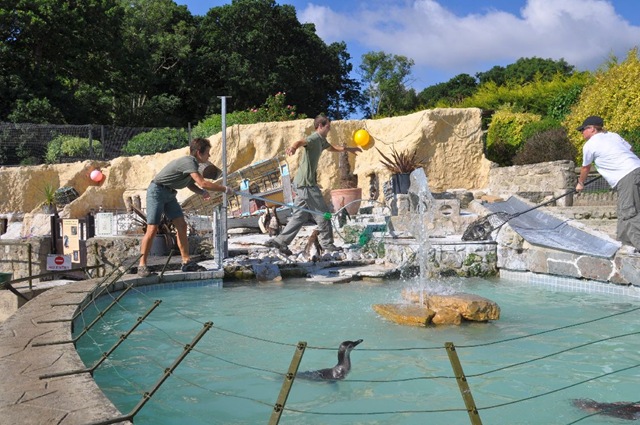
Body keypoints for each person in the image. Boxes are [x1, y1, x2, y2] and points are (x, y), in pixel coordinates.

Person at [265, 114, 361, 255]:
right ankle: (327, 244)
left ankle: (280, 242)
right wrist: (293, 148)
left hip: (302, 184)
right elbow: (300, 142)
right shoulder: (313, 138)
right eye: (328, 127)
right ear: (320, 126)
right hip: (307, 185)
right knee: (324, 214)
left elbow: (332, 148)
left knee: (300, 215)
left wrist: (349, 149)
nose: (329, 129)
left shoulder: (322, 141)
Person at [138, 138, 233, 277]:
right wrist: (224, 189)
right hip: (157, 191)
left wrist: (201, 193)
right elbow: (203, 183)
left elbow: (189, 183)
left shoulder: (193, 165)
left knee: (182, 226)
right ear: (199, 153)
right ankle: (142, 266)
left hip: (169, 194)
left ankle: (186, 262)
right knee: (152, 228)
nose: (209, 156)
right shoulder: (189, 162)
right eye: (207, 153)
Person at [575, 115, 640, 250]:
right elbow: (630, 150)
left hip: (626, 176)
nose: (582, 133)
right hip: (636, 168)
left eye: (583, 129)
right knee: (623, 211)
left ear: (592, 129)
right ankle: (625, 245)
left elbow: (585, 168)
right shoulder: (613, 136)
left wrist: (580, 183)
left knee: (629, 212)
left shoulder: (590, 145)